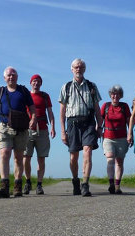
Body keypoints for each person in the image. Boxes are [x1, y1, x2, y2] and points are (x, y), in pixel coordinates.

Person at [0, 66, 37, 198]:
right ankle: (4, 186)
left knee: (18, 157)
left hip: (21, 128)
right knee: (4, 153)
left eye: (13, 75)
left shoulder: (23, 91)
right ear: (4, 78)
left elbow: (32, 108)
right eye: (9, 75)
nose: (11, 77)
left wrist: (33, 118)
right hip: (4, 127)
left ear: (17, 77)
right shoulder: (0, 92)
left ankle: (17, 186)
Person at [59, 58, 103, 197]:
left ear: (84, 69)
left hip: (88, 122)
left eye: (81, 67)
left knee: (87, 151)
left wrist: (99, 126)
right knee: (73, 157)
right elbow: (62, 111)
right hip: (72, 124)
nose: (78, 69)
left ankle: (85, 184)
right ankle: (75, 181)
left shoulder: (92, 86)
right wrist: (62, 131)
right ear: (72, 69)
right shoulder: (66, 87)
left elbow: (97, 109)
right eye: (76, 67)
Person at [23, 74, 56, 195]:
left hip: (43, 129)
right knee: (26, 157)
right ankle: (28, 182)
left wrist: (53, 127)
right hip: (28, 130)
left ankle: (39, 184)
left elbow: (50, 112)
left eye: (38, 81)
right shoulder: (26, 95)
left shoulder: (45, 96)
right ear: (31, 83)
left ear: (41, 84)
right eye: (34, 81)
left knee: (41, 158)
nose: (36, 83)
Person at [101, 85, 131, 194]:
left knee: (119, 161)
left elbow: (129, 121)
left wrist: (130, 134)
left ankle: (117, 185)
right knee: (110, 159)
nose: (115, 96)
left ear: (120, 95)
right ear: (110, 95)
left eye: (117, 94)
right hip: (108, 137)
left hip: (122, 137)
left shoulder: (124, 107)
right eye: (113, 94)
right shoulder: (105, 106)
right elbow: (100, 120)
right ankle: (111, 184)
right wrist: (98, 130)